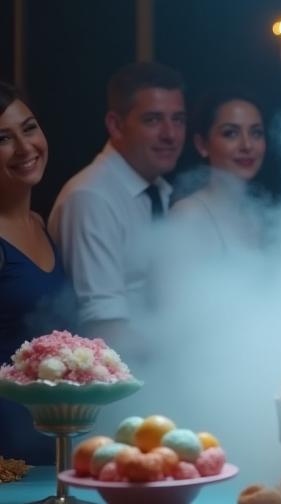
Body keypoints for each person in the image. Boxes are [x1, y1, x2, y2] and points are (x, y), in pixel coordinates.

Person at [48, 62, 186, 346]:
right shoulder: (91, 197)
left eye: (178, 119)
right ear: (116, 125)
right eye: (153, 120)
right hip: (117, 379)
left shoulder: (158, 191)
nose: (170, 134)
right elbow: (105, 330)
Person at [0, 80, 63, 463]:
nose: (25, 148)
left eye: (30, 128)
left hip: (46, 433)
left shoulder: (40, 222)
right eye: (2, 138)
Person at [170, 87, 266, 252]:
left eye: (256, 133)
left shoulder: (256, 216)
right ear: (202, 145)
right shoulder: (188, 216)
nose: (247, 145)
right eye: (230, 133)